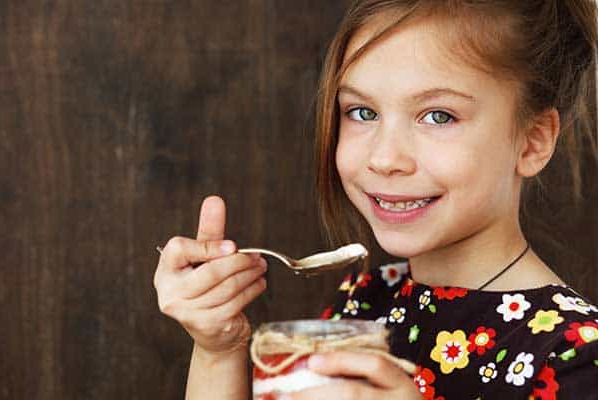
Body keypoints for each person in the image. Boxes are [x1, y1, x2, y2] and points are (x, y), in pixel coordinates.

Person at [153, 1, 598, 399]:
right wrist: (219, 347)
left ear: (533, 141)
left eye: (438, 116)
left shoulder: (573, 357)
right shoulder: (366, 300)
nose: (385, 159)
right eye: (362, 112)